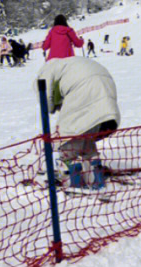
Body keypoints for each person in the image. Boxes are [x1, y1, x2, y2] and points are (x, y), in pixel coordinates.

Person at [35, 56, 121, 190]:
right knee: (86, 136)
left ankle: (75, 181)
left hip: (84, 89)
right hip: (104, 87)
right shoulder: (66, 65)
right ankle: (97, 178)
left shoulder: (46, 72)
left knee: (67, 138)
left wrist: (49, 107)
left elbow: (45, 96)